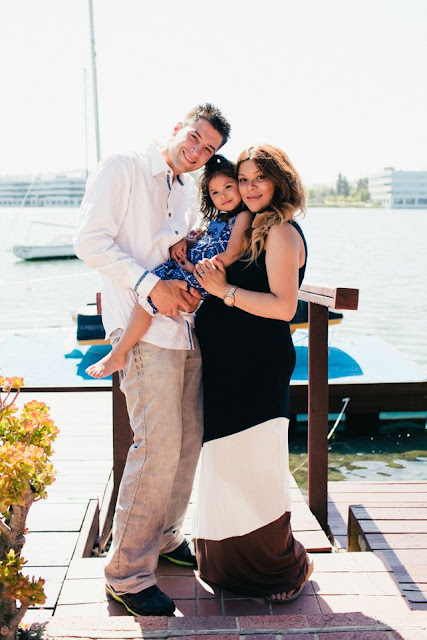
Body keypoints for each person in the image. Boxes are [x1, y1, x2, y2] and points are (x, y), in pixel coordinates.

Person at [74, 104, 231, 617]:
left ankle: (164, 537)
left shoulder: (185, 189)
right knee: (157, 447)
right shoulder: (123, 166)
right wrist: (149, 284)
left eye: (209, 149)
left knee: (187, 440)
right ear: (177, 127)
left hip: (182, 327)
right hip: (141, 325)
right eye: (195, 137)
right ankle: (127, 573)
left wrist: (185, 247)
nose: (198, 151)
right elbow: (89, 241)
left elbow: (167, 248)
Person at [192, 144, 314, 603]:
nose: (249, 187)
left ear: (280, 180)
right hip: (226, 364)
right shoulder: (250, 226)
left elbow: (284, 307)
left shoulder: (280, 231)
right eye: (243, 179)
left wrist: (224, 291)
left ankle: (282, 569)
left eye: (259, 178)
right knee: (225, 463)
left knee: (255, 466)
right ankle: (227, 564)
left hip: (257, 365)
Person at [85, 155, 252, 379]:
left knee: (149, 299)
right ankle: (120, 351)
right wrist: (184, 242)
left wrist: (194, 269)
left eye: (228, 187)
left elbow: (231, 253)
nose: (223, 195)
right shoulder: (220, 220)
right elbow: (206, 243)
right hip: (189, 268)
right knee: (150, 288)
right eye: (215, 192)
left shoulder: (243, 216)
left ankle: (119, 353)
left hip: (204, 275)